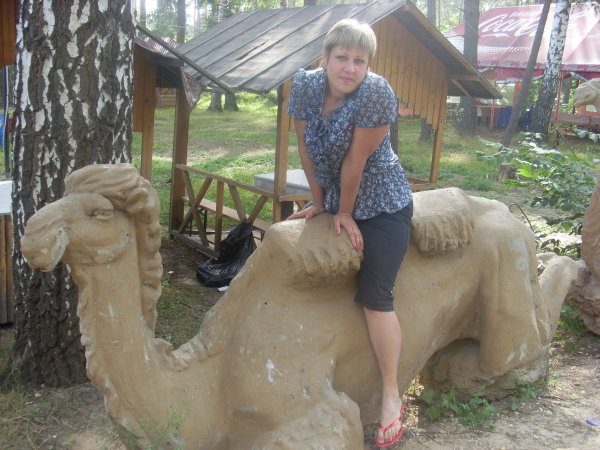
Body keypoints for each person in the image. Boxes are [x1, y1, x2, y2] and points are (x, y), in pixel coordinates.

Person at [286, 19, 413, 448]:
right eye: (342, 57)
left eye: (360, 60)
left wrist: (345, 211)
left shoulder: (376, 93)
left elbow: (355, 161)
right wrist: (320, 202)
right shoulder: (304, 86)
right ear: (325, 58)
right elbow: (305, 148)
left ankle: (391, 396)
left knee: (376, 297)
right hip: (336, 194)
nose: (350, 68)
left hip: (382, 202)